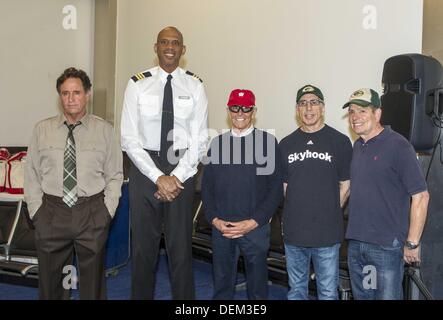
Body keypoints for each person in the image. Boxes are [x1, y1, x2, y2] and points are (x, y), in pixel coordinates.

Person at [120, 26, 208, 300]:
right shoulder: (137, 83)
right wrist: (158, 176)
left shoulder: (195, 85)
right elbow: (128, 138)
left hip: (181, 166)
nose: (170, 47)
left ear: (184, 50)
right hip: (145, 168)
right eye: (164, 42)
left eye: (176, 43)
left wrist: (176, 176)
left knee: (180, 250)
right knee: (143, 251)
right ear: (155, 47)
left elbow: (201, 139)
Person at [24, 67, 123, 300]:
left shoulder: (105, 131)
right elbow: (31, 175)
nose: (71, 99)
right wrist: (37, 212)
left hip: (91, 212)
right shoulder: (42, 130)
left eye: (76, 92)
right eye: (65, 93)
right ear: (59, 96)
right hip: (51, 212)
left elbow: (115, 175)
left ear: (87, 94)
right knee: (52, 284)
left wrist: (105, 212)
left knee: (93, 286)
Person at [343, 88, 430, 300]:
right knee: (365, 296)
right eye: (352, 111)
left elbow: (421, 196)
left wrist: (412, 242)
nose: (355, 117)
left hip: (385, 248)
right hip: (358, 245)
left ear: (377, 114)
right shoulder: (358, 146)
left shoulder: (398, 146)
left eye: (362, 111)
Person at [201, 89, 282, 299]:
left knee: (257, 291)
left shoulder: (267, 143)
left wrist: (254, 222)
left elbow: (275, 190)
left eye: (245, 108)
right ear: (228, 111)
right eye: (235, 108)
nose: (240, 113)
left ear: (253, 111)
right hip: (222, 229)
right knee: (222, 287)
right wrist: (214, 219)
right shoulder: (217, 144)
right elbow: (207, 187)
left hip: (254, 230)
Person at [279, 84, 352, 300]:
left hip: (327, 234)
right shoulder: (285, 144)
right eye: (303, 103)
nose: (308, 108)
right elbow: (285, 188)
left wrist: (327, 212)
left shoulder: (339, 141)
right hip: (294, 233)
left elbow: (346, 185)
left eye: (314, 102)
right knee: (296, 291)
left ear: (322, 108)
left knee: (328, 292)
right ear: (297, 109)